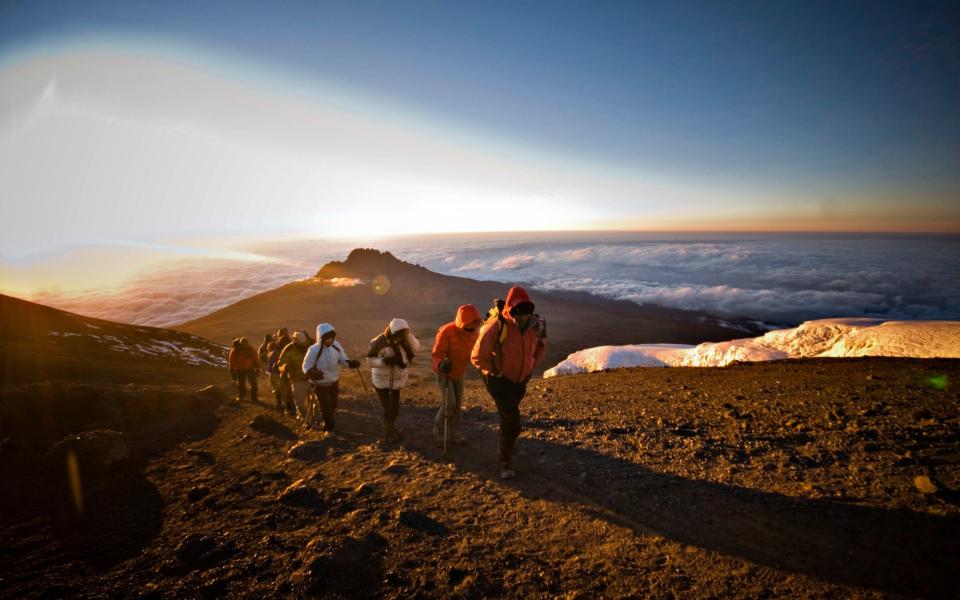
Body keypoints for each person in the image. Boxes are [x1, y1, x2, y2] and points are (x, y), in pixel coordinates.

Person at [471, 286, 547, 479]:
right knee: (512, 421)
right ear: (510, 309)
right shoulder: (498, 325)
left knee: (509, 417)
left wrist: (530, 368)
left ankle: (508, 447)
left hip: (520, 380)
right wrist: (495, 372)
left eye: (526, 311)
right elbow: (477, 356)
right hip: (499, 381)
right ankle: (504, 461)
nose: (522, 316)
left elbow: (540, 348)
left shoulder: (536, 325)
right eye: (518, 311)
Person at [431, 304, 483, 447]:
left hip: (459, 372)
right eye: (469, 324)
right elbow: (437, 354)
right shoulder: (446, 331)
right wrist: (441, 364)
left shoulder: (475, 333)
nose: (471, 327)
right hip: (444, 372)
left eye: (474, 324)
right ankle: (438, 429)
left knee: (458, 404)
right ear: (462, 322)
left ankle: (455, 432)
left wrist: (483, 368)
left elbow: (476, 354)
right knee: (450, 403)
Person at [367, 318, 420, 442]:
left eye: (403, 334)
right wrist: (385, 361)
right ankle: (389, 432)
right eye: (399, 335)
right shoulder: (378, 342)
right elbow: (369, 361)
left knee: (394, 408)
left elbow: (416, 347)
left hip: (396, 380)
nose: (400, 338)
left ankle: (392, 428)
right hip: (382, 381)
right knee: (389, 408)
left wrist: (408, 334)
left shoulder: (405, 339)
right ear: (393, 332)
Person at [302, 323, 360, 431]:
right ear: (321, 338)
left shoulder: (336, 345)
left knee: (333, 404)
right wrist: (312, 373)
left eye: (331, 338)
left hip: (333, 381)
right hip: (319, 383)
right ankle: (329, 427)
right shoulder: (313, 349)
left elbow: (342, 359)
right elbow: (306, 366)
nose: (329, 340)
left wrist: (350, 363)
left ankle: (329, 422)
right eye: (326, 338)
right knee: (326, 406)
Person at [277, 330, 315, 424]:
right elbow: (280, 364)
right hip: (297, 380)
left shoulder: (312, 346)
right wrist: (284, 367)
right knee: (300, 403)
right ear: (295, 340)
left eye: (305, 343)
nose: (303, 345)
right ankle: (304, 420)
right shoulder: (288, 349)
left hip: (313, 378)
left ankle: (315, 419)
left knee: (315, 402)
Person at [268, 328, 293, 414]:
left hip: (281, 372)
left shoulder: (276, 350)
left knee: (283, 390)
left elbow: (270, 364)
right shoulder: (292, 347)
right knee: (286, 390)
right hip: (284, 372)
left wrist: (272, 371)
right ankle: (288, 406)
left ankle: (286, 406)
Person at [228, 337, 260, 403]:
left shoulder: (251, 349)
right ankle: (242, 397)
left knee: (253, 383)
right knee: (241, 384)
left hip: (250, 368)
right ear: (240, 344)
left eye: (246, 344)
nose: (245, 346)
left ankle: (254, 398)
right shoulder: (235, 351)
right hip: (239, 370)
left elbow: (255, 357)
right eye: (244, 344)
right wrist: (232, 369)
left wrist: (257, 367)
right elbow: (232, 361)